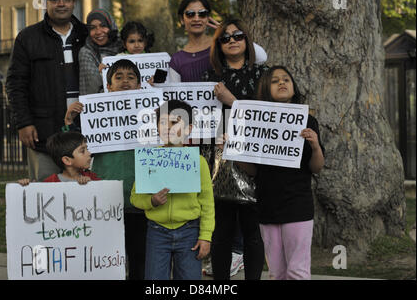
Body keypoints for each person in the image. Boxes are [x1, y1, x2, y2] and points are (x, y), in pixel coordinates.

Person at [65, 59, 148, 280]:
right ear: (108, 85)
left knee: (140, 261)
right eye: (118, 77)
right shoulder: (93, 115)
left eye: (131, 77)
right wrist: (69, 122)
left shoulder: (153, 113)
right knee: (109, 263)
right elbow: (71, 150)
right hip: (106, 202)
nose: (125, 81)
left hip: (141, 201)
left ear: (140, 86)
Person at [241, 65, 325, 280]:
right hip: (267, 206)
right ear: (265, 89)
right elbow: (251, 171)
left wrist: (315, 145)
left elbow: (316, 167)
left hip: (297, 205)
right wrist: (235, 152)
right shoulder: (255, 122)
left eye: (286, 79)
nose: (281, 83)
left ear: (294, 87)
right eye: (275, 80)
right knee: (276, 273)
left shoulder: (308, 121)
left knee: (297, 271)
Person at [203, 19, 268, 280]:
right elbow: (201, 120)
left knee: (253, 231)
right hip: (219, 160)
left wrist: (233, 102)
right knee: (221, 232)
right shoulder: (209, 78)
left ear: (247, 41)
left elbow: (268, 117)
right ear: (218, 45)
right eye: (225, 37)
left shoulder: (263, 75)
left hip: (254, 158)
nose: (232, 40)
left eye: (238, 35)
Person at [6, 0, 88, 182]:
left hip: (87, 132)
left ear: (74, 3)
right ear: (45, 3)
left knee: (87, 196)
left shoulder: (87, 36)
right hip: (45, 134)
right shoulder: (28, 38)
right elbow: (16, 84)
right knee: (46, 192)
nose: (61, 4)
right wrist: (23, 123)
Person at [130, 100, 215, 280]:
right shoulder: (148, 160)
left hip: (190, 231)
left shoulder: (198, 162)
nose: (168, 127)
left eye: (175, 122)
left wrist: (205, 236)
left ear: (189, 128)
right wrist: (151, 202)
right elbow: (134, 197)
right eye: (162, 123)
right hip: (157, 231)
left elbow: (207, 203)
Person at [168, 0, 267, 83]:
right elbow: (174, 94)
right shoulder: (177, 60)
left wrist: (226, 31)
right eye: (190, 14)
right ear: (181, 19)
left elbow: (261, 58)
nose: (196, 19)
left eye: (202, 14)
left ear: (208, 17)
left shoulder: (223, 44)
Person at [18, 131, 99, 185]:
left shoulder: (92, 178)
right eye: (82, 151)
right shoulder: (50, 183)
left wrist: (91, 185)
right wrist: (25, 186)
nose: (89, 153)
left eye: (87, 149)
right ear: (67, 160)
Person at [79, 9, 122, 96]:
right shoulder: (86, 52)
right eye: (92, 28)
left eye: (103, 26)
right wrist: (101, 74)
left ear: (111, 26)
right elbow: (92, 88)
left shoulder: (124, 47)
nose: (98, 32)